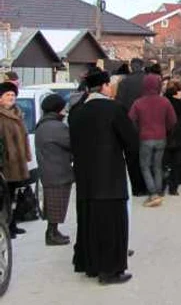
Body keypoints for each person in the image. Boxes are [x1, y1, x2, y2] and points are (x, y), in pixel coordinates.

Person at [69, 68, 139, 285]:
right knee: (111, 225)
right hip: (109, 177)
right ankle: (109, 271)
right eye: (109, 85)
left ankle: (90, 264)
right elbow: (131, 141)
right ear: (104, 86)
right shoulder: (113, 108)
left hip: (85, 178)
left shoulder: (77, 111)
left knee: (89, 223)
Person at [128, 74, 176, 207]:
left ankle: (153, 194)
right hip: (161, 137)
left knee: (145, 166)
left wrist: (138, 130)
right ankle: (159, 191)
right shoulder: (164, 101)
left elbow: (130, 120)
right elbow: (173, 120)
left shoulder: (138, 102)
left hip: (145, 137)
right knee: (157, 166)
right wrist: (165, 129)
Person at [34, 94, 73, 246]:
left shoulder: (44, 124)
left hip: (50, 169)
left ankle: (53, 231)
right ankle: (51, 234)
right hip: (57, 170)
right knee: (56, 204)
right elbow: (71, 142)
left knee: (54, 203)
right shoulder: (55, 127)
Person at [0, 81, 31, 238]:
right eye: (8, 95)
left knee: (13, 197)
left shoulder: (17, 114)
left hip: (18, 163)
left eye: (13, 95)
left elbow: (24, 138)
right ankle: (6, 227)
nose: (11, 97)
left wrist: (26, 155)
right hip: (6, 164)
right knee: (5, 198)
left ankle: (12, 225)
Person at [115, 58, 148, 196]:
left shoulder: (124, 83)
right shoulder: (149, 81)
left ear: (131, 67)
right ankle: (149, 185)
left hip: (130, 123)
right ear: (142, 66)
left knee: (132, 157)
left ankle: (137, 188)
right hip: (148, 123)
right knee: (148, 156)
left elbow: (119, 104)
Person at [164, 79, 181, 195]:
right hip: (180, 137)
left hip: (167, 136)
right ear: (176, 91)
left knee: (166, 163)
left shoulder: (164, 102)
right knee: (177, 163)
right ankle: (173, 187)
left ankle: (163, 185)